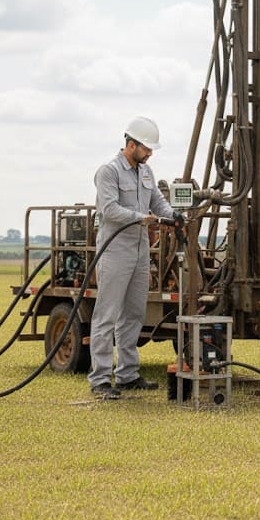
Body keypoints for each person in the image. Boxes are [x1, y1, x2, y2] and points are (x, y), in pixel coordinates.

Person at [87, 116, 175, 400]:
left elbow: (157, 202)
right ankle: (100, 378)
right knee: (106, 315)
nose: (150, 153)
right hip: (115, 251)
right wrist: (142, 219)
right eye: (146, 148)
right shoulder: (109, 172)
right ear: (131, 144)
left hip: (140, 253)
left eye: (151, 149)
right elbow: (109, 209)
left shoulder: (146, 172)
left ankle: (127, 375)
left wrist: (174, 215)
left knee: (134, 314)